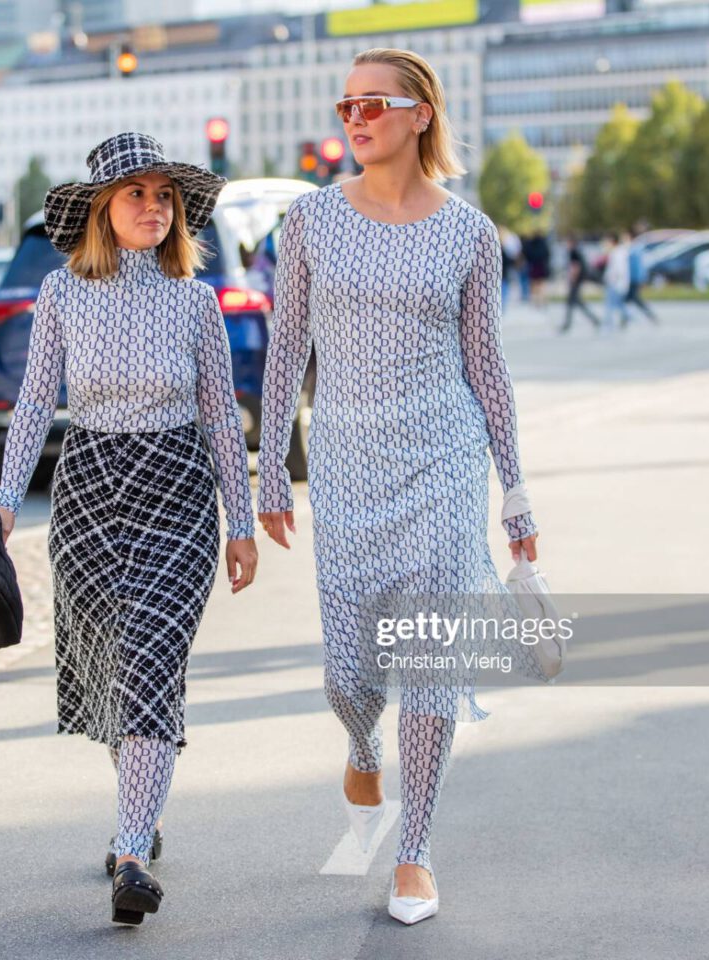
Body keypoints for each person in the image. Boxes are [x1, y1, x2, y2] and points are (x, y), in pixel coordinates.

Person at [257, 47, 547, 927]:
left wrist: (515, 492)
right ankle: (358, 740)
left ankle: (414, 849)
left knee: (427, 656)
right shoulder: (308, 222)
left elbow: (487, 368)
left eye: (373, 103)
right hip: (346, 465)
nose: (355, 118)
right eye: (345, 105)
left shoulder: (469, 233)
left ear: (421, 113)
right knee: (350, 672)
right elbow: (285, 355)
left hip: (443, 463)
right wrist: (273, 466)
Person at [0, 132, 258, 926]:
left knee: (149, 660)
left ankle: (133, 850)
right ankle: (141, 805)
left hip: (177, 490)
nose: (152, 206)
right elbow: (37, 402)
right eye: (136, 193)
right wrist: (6, 500)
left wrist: (240, 522)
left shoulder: (196, 300)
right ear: (104, 208)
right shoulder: (61, 294)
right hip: (86, 493)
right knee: (117, 672)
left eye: (163, 195)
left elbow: (220, 415)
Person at [560, 236, 601, 334]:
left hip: (577, 279)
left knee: (572, 301)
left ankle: (567, 324)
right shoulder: (578, 251)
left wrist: (573, 279)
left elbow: (576, 266)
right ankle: (594, 320)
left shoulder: (573, 252)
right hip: (579, 279)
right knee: (577, 302)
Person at [623, 230, 659, 325]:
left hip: (633, 278)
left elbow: (638, 266)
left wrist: (641, 278)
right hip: (631, 277)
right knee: (631, 298)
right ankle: (626, 318)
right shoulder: (633, 248)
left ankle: (627, 318)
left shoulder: (635, 249)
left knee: (632, 298)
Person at [602, 232, 632, 332]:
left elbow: (618, 269)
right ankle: (627, 317)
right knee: (618, 304)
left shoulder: (617, 253)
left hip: (616, 283)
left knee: (610, 305)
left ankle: (609, 324)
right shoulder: (617, 252)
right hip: (617, 283)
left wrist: (612, 279)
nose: (605, 244)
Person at [523, 230, 551, 310]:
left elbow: (527, 253)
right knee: (542, 285)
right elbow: (548, 254)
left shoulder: (531, 244)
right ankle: (542, 300)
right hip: (542, 265)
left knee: (534, 284)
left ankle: (536, 301)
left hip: (534, 266)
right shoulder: (544, 244)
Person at [499, 225, 522, 310]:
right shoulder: (503, 247)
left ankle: (502, 306)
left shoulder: (502, 247)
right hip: (503, 273)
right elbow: (508, 260)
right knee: (503, 290)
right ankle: (502, 306)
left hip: (501, 273)